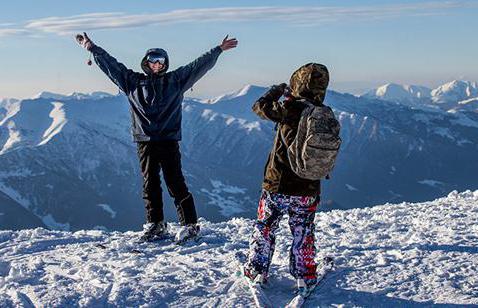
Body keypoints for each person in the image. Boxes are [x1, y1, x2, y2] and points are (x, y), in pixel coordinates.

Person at [76, 32, 238, 243]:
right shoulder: (132, 81)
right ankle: (156, 224)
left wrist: (217, 50)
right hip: (145, 141)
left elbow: (197, 66)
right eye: (153, 60)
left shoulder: (176, 80)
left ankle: (190, 225)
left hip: (168, 140)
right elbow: (111, 65)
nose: (157, 64)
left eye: (161, 61)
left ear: (165, 64)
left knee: (175, 182)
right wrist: (91, 48)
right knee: (149, 183)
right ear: (146, 62)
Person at [243, 63, 330, 295]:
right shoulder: (323, 113)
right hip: (308, 188)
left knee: (265, 227)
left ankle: (257, 269)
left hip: (276, 185)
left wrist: (275, 91)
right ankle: (305, 274)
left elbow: (258, 107)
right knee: (303, 230)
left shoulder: (289, 108)